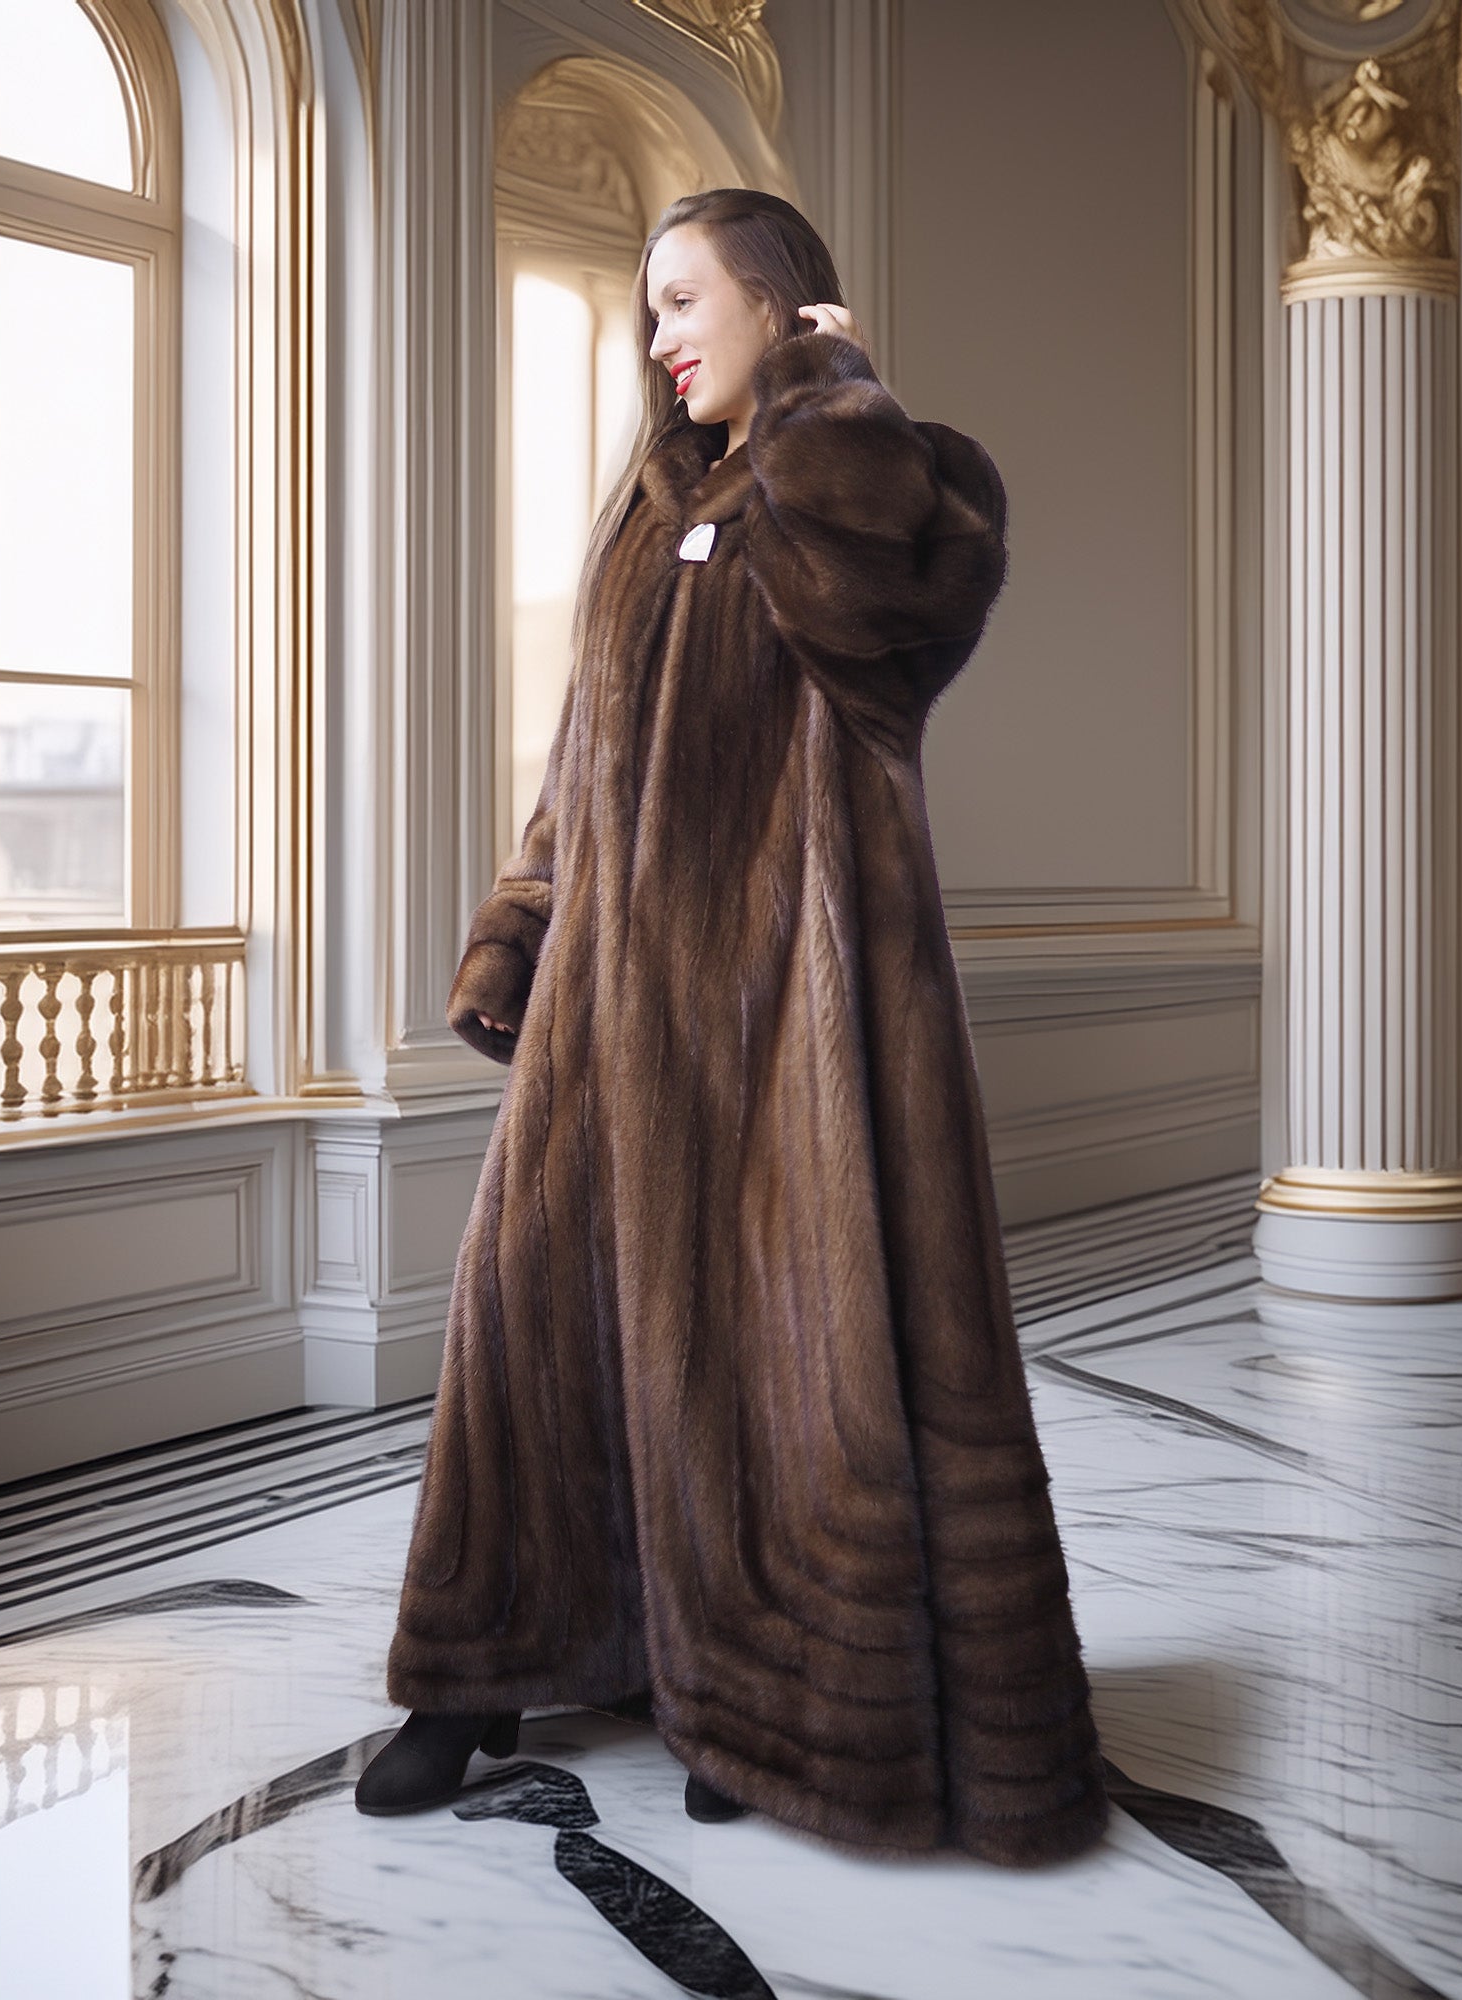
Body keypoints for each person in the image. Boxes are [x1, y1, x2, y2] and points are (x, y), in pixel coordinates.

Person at [356, 187, 1110, 1867]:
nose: (661, 332)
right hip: (611, 1030)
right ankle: (485, 1671)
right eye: (646, 309)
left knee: (785, 1371)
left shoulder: (901, 486)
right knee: (530, 1338)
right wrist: (516, 937)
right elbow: (583, 761)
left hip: (801, 1032)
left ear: (784, 301)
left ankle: (764, 1696)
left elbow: (885, 635)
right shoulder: (646, 515)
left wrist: (830, 405)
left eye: (689, 296)